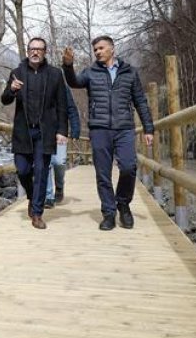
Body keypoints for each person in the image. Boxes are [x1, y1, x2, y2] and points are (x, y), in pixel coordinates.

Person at [61, 35, 155, 230]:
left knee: (129, 167)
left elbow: (140, 101)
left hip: (124, 128)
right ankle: (109, 213)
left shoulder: (129, 72)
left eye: (101, 48)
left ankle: (123, 203)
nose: (97, 52)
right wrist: (68, 66)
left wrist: (148, 128)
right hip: (99, 129)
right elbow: (74, 82)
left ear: (112, 49)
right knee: (103, 174)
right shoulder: (91, 72)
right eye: (95, 49)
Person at [1, 37, 68, 229]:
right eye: (32, 49)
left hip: (45, 132)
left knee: (41, 171)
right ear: (28, 51)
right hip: (23, 132)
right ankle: (32, 195)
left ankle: (37, 213)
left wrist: (62, 131)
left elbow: (62, 105)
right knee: (22, 170)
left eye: (39, 49)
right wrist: (11, 90)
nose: (35, 52)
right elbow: (5, 100)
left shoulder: (55, 74)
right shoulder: (17, 73)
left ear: (45, 52)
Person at [44, 82, 81, 208]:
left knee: (59, 162)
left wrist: (75, 130)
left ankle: (59, 186)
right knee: (46, 163)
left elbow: (71, 108)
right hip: (44, 132)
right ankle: (48, 197)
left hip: (60, 131)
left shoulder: (63, 88)